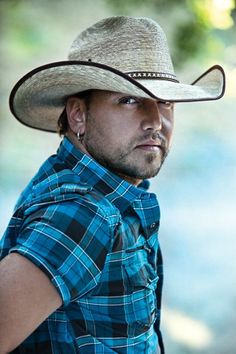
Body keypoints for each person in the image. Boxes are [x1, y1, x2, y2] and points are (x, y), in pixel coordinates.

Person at [0, 16, 225, 354]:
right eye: (129, 100)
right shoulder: (82, 213)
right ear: (78, 115)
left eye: (164, 101)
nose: (155, 121)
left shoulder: (110, 195)